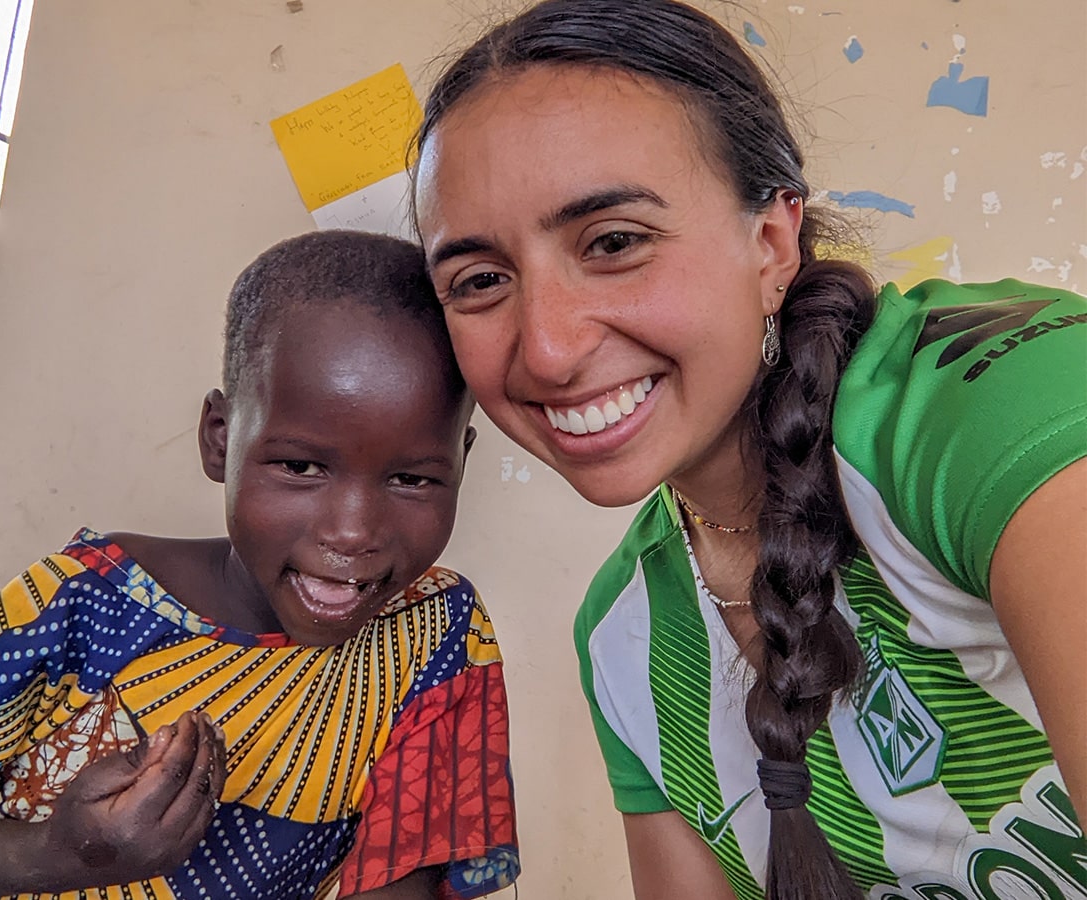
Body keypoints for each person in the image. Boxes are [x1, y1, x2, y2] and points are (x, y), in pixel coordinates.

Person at [410, 1, 1086, 898]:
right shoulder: (624, 636)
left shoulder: (1001, 407)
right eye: (481, 281)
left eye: (614, 242)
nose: (547, 348)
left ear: (771, 242)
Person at [0, 231, 520, 900]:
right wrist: (58, 856)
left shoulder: (434, 633)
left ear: (461, 462)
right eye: (301, 467)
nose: (353, 532)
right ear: (221, 439)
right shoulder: (76, 607)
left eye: (412, 479)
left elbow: (405, 872)